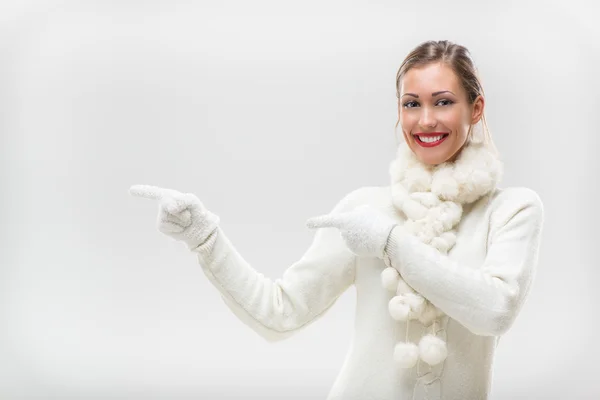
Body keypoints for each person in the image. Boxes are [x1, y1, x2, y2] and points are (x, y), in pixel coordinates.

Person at [129, 40, 544, 400]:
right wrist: (204, 237)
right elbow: (280, 313)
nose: (426, 120)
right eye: (411, 104)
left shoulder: (511, 210)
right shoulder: (366, 210)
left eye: (444, 101)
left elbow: (494, 310)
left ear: (476, 108)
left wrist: (390, 243)